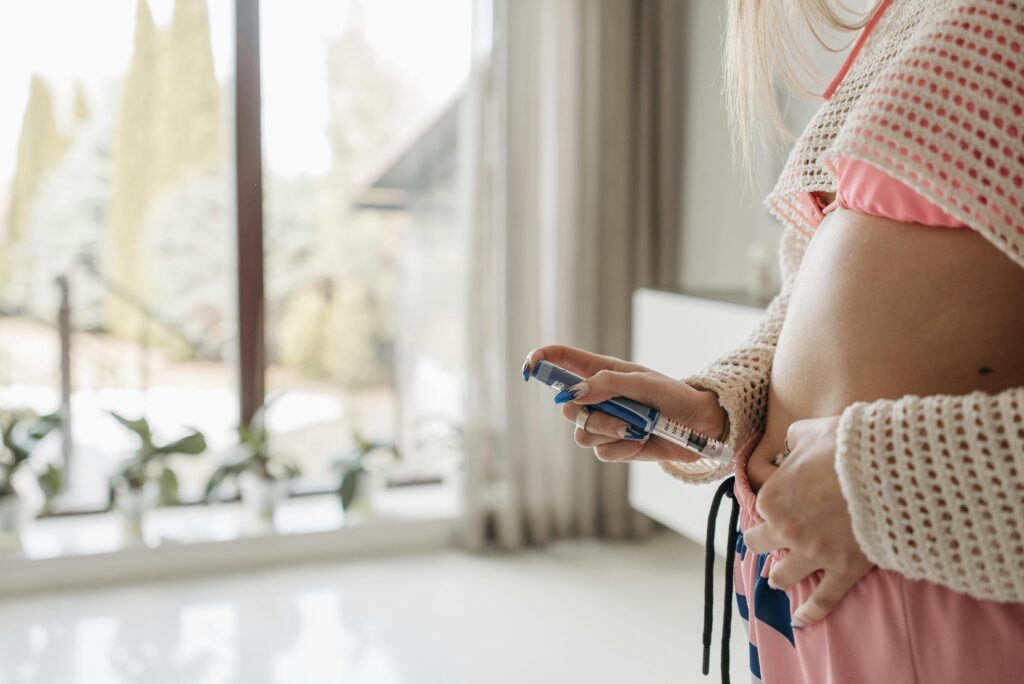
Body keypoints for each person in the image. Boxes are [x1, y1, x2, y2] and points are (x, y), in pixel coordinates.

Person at [526, 0, 1024, 682]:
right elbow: (811, 284)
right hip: (806, 571)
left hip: (951, 580)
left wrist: (890, 481)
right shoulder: (912, 16)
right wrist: (718, 407)